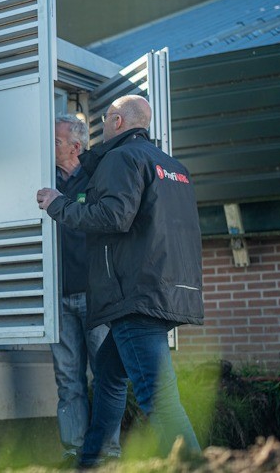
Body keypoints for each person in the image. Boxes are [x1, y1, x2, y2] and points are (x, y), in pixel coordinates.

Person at [36, 95, 204, 467]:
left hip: (135, 295)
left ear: (115, 121)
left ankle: (195, 464)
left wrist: (57, 204)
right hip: (165, 290)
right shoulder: (171, 166)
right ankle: (91, 463)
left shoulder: (122, 158)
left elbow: (113, 216)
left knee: (158, 397)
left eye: (105, 120)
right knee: (109, 378)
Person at [49, 115, 121, 464]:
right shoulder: (42, 179)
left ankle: (108, 453)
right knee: (67, 378)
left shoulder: (96, 178)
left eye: (57, 141)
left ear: (75, 147)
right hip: (55, 297)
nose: (51, 147)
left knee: (104, 375)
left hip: (94, 295)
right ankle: (75, 451)